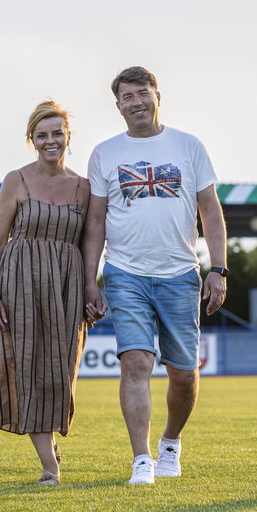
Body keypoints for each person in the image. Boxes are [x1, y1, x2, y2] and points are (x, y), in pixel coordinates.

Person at [83, 66, 227, 485]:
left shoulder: (188, 146)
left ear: (157, 96)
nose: (137, 102)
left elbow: (211, 212)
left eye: (143, 93)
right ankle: (141, 458)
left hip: (181, 274)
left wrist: (218, 268)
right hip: (125, 273)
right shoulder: (105, 153)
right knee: (136, 361)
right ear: (118, 106)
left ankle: (170, 443)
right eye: (128, 97)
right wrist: (91, 279)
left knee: (183, 374)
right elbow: (94, 222)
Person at [0, 100, 90, 485]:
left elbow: (91, 242)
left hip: (67, 284)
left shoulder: (84, 186)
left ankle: (51, 436)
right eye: (42, 135)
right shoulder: (17, 180)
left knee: (60, 372)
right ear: (32, 140)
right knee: (27, 368)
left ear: (68, 137)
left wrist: (92, 286)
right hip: (19, 283)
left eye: (57, 133)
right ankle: (49, 465)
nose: (51, 141)